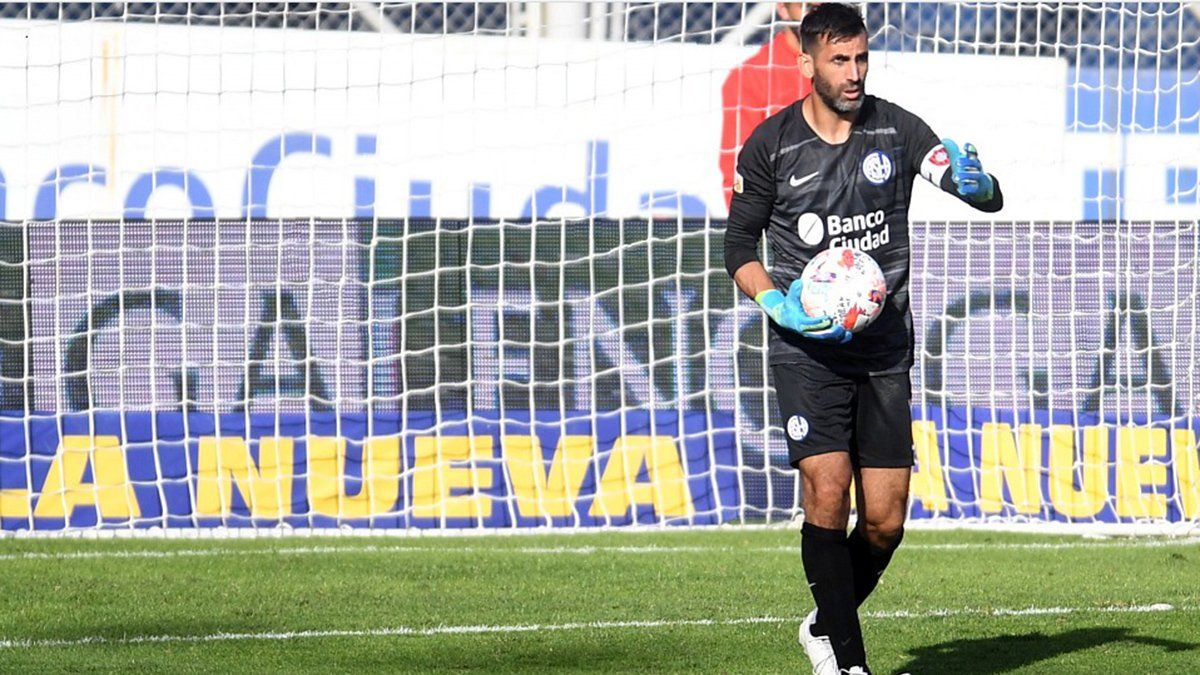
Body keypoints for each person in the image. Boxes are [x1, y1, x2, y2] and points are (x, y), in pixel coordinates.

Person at [722, 4, 1003, 674]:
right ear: (807, 62)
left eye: (861, 59)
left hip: (882, 351)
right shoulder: (770, 144)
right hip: (807, 347)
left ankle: (825, 621)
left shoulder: (897, 129)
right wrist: (775, 302)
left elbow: (977, 193)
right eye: (840, 60)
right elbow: (737, 245)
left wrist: (980, 184)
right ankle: (849, 662)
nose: (854, 74)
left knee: (884, 520)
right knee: (827, 483)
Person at [719, 3, 816, 210]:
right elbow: (737, 173)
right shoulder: (752, 76)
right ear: (783, 8)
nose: (813, 18)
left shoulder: (846, 71)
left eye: (819, 9)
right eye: (805, 8)